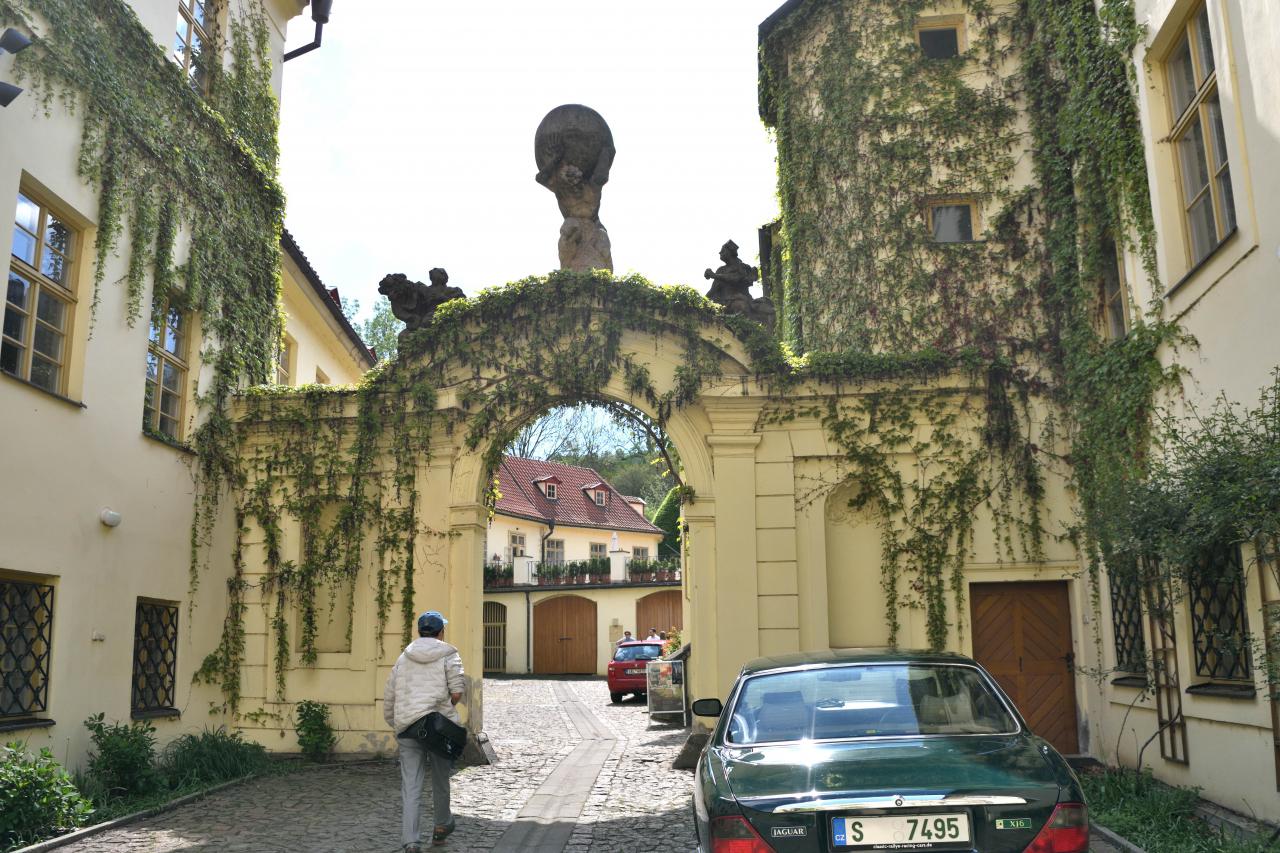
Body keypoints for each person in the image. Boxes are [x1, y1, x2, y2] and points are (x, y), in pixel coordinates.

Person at [384, 610, 464, 852]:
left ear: (419, 632)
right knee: (441, 778)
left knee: (411, 785)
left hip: (408, 727)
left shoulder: (403, 658)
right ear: (441, 632)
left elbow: (390, 695)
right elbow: (457, 692)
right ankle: (441, 826)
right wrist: (444, 709)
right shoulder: (449, 654)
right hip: (438, 728)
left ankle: (411, 841)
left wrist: (395, 722)